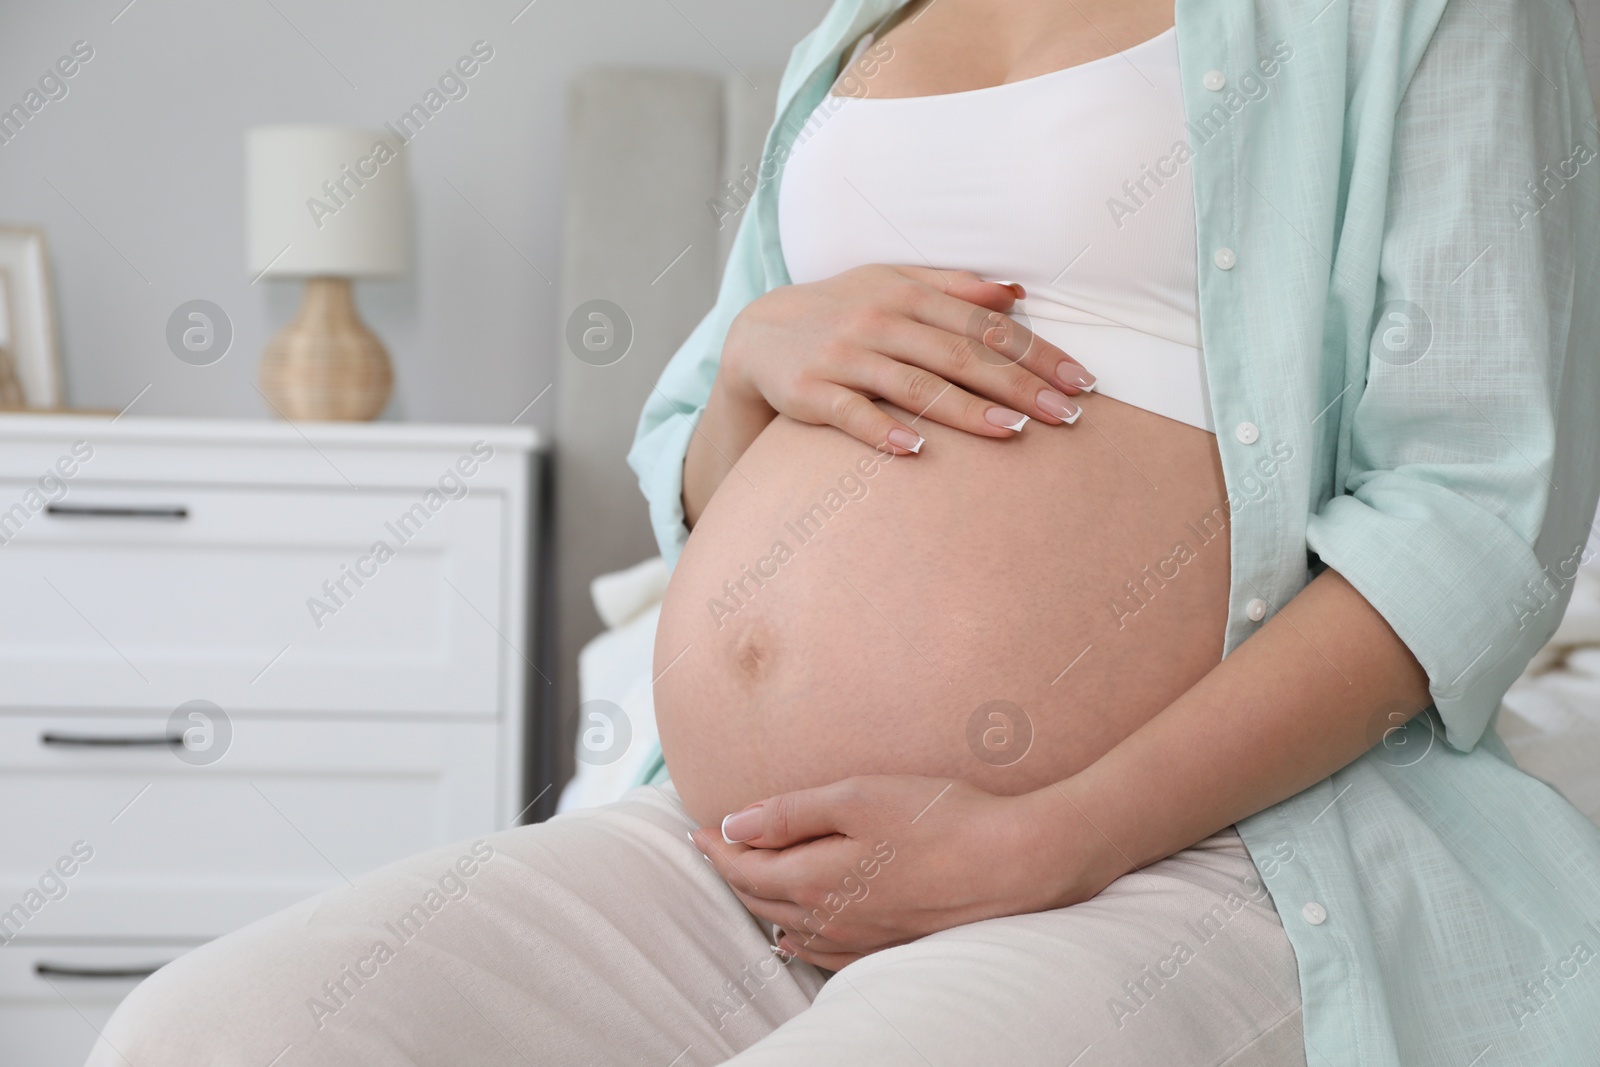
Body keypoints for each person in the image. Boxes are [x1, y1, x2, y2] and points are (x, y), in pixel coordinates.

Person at [91, 0, 1600, 1064]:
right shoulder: (857, 29)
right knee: (206, 1037)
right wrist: (757, 349)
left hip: (1175, 854)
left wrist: (1046, 839)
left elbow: (1471, 525)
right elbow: (699, 460)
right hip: (734, 857)